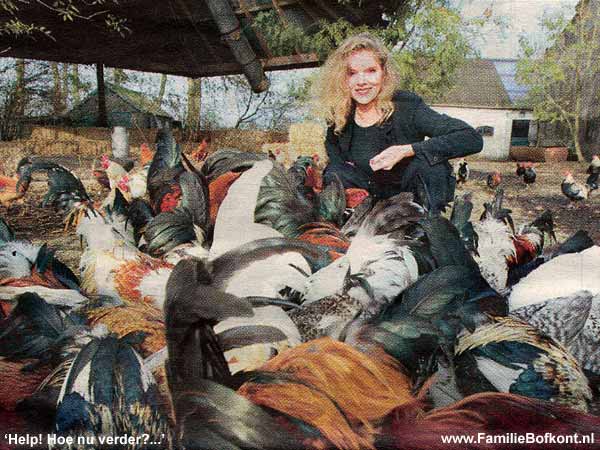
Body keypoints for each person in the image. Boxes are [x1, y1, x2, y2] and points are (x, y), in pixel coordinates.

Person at [310, 33, 483, 214]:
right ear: (342, 79)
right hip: (365, 209)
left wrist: (407, 150)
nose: (361, 81)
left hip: (411, 203)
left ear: (384, 74)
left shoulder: (407, 106)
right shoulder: (340, 115)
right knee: (335, 172)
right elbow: (337, 165)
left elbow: (471, 138)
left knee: (430, 165)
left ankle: (429, 225)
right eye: (352, 73)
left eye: (371, 71)